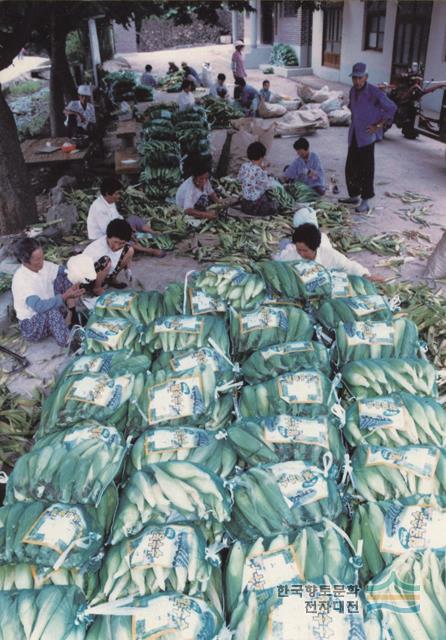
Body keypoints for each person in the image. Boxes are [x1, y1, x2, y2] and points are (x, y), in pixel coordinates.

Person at [11, 239, 94, 347]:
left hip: (51, 308)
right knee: (51, 313)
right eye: (38, 259)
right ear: (25, 262)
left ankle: (72, 316)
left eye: (42, 256)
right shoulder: (22, 280)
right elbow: (40, 307)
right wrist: (65, 296)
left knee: (65, 278)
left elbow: (62, 270)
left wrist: (76, 277)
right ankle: (70, 343)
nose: (42, 261)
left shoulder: (43, 265)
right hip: (32, 324)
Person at [339, 62, 397, 213]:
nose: (357, 81)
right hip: (354, 135)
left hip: (366, 136)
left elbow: (391, 108)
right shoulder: (352, 90)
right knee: (350, 167)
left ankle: (365, 201)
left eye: (360, 78)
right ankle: (354, 195)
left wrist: (378, 126)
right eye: (354, 78)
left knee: (366, 169)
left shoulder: (374, 92)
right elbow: (353, 107)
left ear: (366, 77)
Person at [87, 178, 165, 257]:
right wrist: (127, 232)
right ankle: (150, 251)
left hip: (116, 229)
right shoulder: (99, 208)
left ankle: (153, 233)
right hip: (103, 238)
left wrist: (128, 227)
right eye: (117, 194)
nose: (119, 196)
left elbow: (118, 218)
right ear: (107, 194)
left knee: (133, 219)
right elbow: (109, 231)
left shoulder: (110, 202)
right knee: (122, 239)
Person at [276, 223, 383, 281]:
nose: (301, 254)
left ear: (315, 248)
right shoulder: (290, 255)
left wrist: (365, 276)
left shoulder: (330, 255)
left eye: (305, 250)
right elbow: (276, 266)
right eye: (299, 250)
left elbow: (349, 266)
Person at [83, 219, 135, 295]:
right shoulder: (97, 249)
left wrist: (127, 269)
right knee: (106, 261)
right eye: (115, 242)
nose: (117, 246)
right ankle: (96, 288)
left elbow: (126, 250)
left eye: (122, 243)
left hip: (105, 274)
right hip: (88, 280)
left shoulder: (120, 245)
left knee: (130, 250)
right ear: (108, 237)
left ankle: (112, 280)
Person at [238, 141, 279, 217]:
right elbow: (267, 186)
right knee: (274, 203)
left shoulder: (244, 166)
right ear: (262, 157)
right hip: (255, 207)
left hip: (244, 205)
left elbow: (240, 179)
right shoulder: (260, 172)